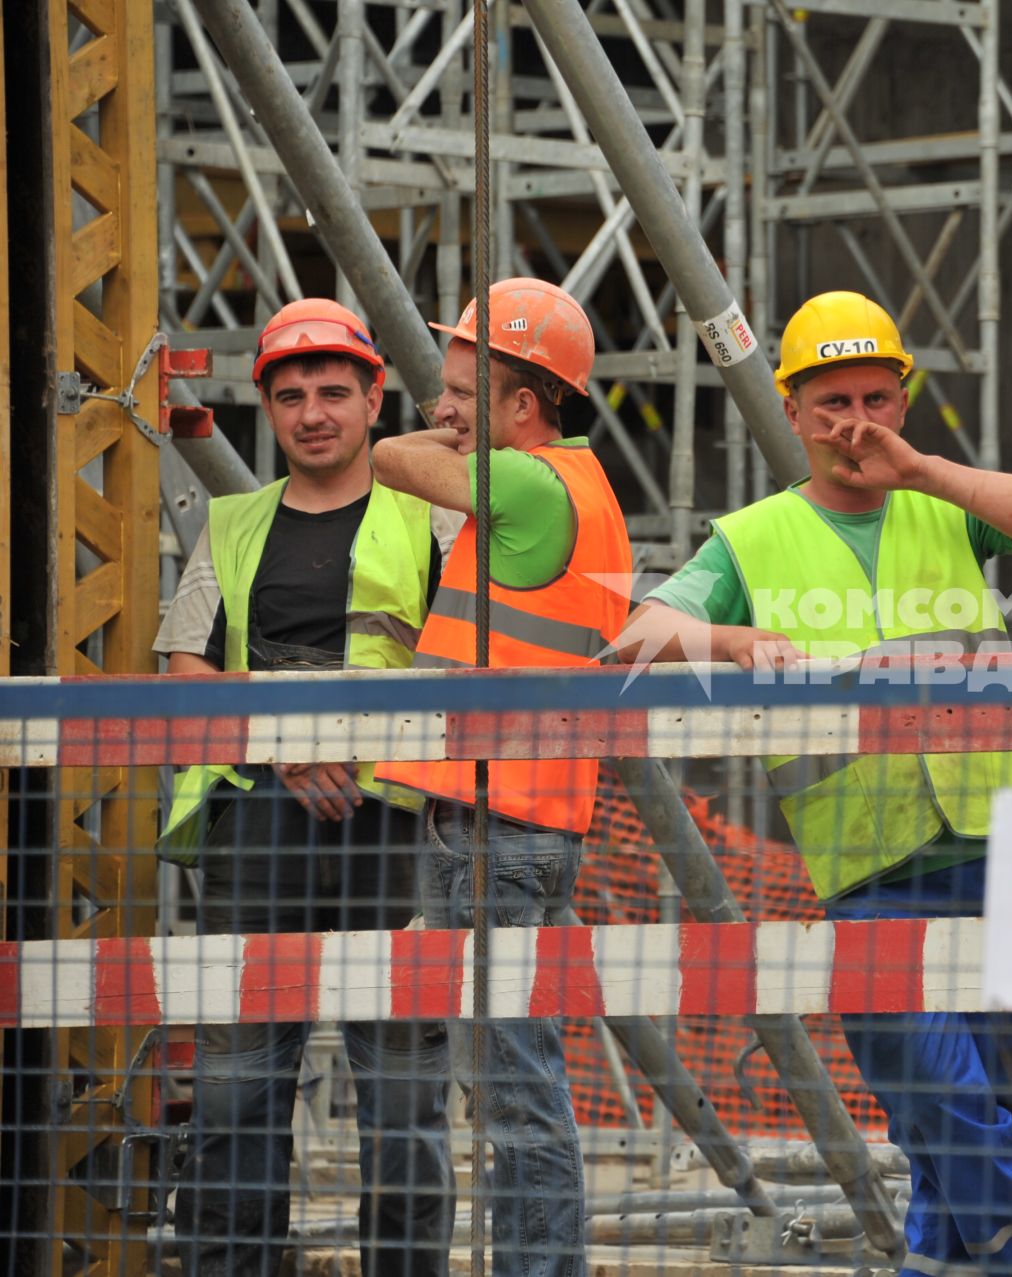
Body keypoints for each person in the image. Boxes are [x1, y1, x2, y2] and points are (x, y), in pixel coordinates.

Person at [618, 290, 1012, 1275]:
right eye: (832, 402)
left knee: (987, 1113)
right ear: (789, 409)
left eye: (877, 397)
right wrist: (735, 637)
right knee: (937, 1095)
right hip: (869, 869)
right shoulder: (751, 539)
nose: (856, 423)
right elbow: (637, 632)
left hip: (1002, 850)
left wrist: (923, 470)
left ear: (905, 401)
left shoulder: (946, 507)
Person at [155, 298, 453, 1277]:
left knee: (404, 1099)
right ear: (269, 409)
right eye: (291, 395)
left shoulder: (434, 519)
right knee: (240, 1092)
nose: (313, 411)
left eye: (334, 390)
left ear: (376, 397)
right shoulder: (232, 525)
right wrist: (287, 734)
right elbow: (179, 673)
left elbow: (468, 671)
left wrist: (344, 741)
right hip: (260, 830)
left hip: (396, 833)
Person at [373, 278, 632, 1277]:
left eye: (466, 394)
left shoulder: (528, 483)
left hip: (493, 826)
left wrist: (440, 439)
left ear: (526, 407)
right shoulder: (580, 488)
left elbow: (391, 458)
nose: (443, 411)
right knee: (517, 1077)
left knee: (515, 1090)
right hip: (516, 826)